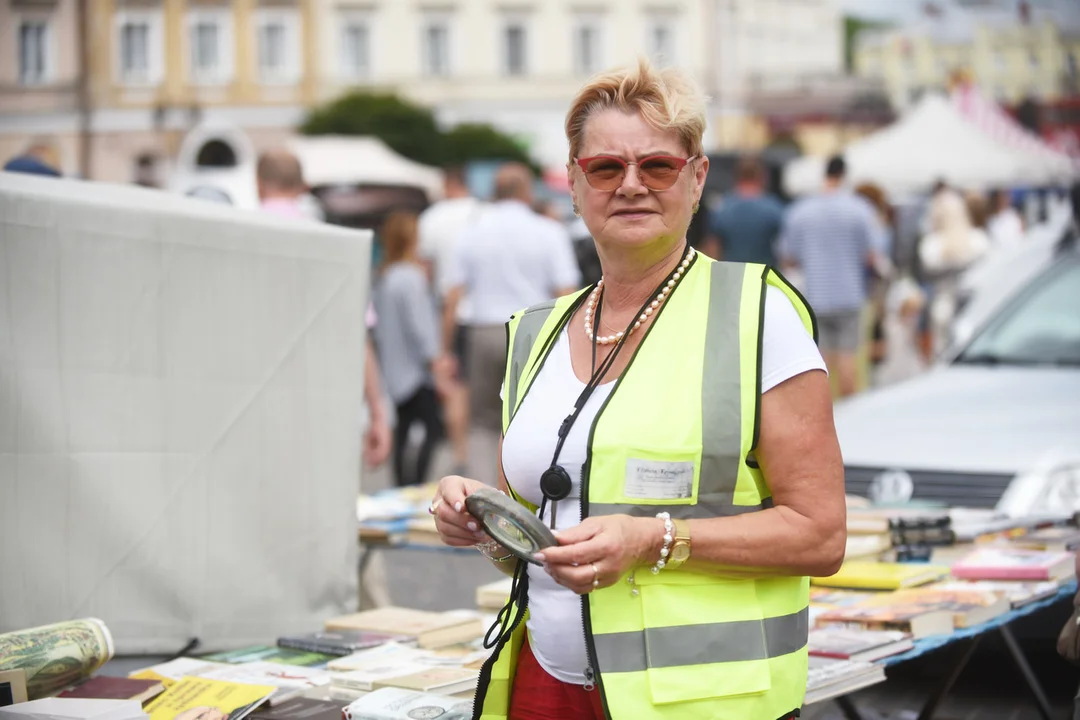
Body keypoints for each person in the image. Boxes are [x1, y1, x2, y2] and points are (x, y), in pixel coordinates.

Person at [428, 59, 846, 720]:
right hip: (546, 685)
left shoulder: (757, 315)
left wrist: (654, 539)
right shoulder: (534, 333)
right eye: (605, 168)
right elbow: (547, 544)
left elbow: (821, 536)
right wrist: (484, 521)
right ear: (571, 182)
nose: (631, 185)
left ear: (697, 177)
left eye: (657, 166)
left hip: (700, 702)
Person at [255, 149, 392, 468]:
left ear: (258, 184)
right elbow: (360, 337)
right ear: (303, 186)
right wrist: (377, 413)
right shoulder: (334, 243)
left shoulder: (237, 236)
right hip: (322, 399)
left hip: (255, 399)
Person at [441, 163, 581, 445]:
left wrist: (445, 349)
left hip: (484, 331)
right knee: (532, 414)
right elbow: (567, 291)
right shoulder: (549, 231)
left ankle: (484, 484)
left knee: (481, 423)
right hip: (535, 331)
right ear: (527, 192)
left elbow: (453, 294)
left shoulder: (472, 231)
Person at [779, 155, 885, 397]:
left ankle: (826, 413)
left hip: (815, 294)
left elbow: (788, 256)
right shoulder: (860, 210)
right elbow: (872, 254)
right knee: (849, 356)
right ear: (844, 176)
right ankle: (849, 412)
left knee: (820, 359)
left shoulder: (800, 211)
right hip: (849, 293)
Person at [373, 211, 452, 486]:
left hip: (393, 367)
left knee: (404, 429)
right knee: (432, 429)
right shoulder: (411, 277)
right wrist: (436, 360)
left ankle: (401, 483)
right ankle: (415, 484)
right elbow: (420, 326)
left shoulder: (384, 277)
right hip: (416, 370)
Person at [418, 166, 484, 476]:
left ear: (447, 185)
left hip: (451, 312)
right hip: (487, 313)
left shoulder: (431, 218)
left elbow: (425, 272)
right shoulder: (483, 214)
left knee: (456, 388)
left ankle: (460, 454)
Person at [706, 155, 785, 265]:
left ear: (736, 176)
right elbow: (784, 251)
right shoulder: (774, 208)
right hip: (764, 275)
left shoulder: (722, 207)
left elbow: (713, 247)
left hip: (732, 274)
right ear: (762, 176)